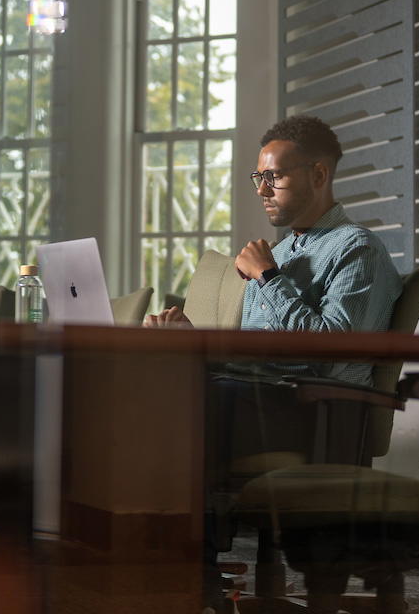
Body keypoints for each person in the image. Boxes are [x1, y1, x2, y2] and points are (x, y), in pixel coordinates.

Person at [144, 114, 402, 613]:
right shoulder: (281, 251)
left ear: (319, 175)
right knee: (151, 391)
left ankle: (192, 573)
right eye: (258, 177)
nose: (262, 189)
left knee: (181, 403)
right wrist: (192, 342)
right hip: (260, 402)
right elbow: (255, 353)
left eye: (275, 177)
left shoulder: (357, 249)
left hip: (316, 415)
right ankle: (166, 564)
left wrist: (268, 278)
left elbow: (332, 352)